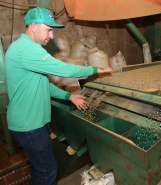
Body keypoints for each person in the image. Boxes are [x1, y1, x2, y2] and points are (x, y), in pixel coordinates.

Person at [4, 7, 112, 185]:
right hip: (29, 126)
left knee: (40, 170)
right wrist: (95, 70)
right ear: (34, 27)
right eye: (49, 29)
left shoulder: (24, 49)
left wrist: (69, 97)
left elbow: (42, 84)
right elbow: (63, 68)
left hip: (31, 123)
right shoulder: (26, 49)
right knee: (48, 172)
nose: (52, 36)